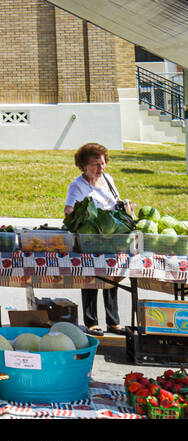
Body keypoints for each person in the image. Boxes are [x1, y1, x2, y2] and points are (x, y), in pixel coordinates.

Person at [65, 142, 129, 335]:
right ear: (84, 165)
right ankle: (91, 322)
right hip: (90, 239)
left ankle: (113, 321)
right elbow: (69, 211)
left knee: (112, 277)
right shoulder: (77, 186)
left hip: (112, 237)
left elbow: (115, 201)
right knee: (91, 279)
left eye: (102, 163)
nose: (100, 168)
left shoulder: (108, 179)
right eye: (95, 165)